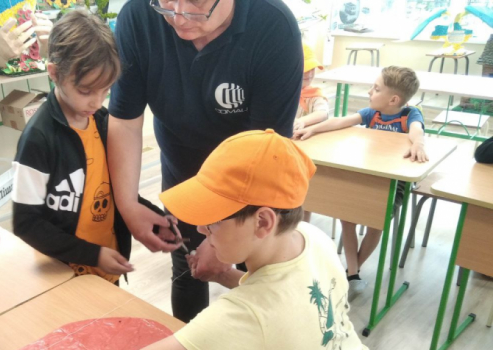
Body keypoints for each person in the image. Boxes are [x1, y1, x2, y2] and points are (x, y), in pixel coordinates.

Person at [0, 130, 377, 350]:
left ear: (262, 221)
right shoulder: (312, 239)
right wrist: (226, 273)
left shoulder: (244, 320)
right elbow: (291, 309)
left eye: (214, 220)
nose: (201, 228)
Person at [107, 0, 303, 322]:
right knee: (189, 270)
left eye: (196, 2)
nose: (179, 16)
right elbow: (125, 120)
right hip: (184, 174)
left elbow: (267, 151)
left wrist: (221, 240)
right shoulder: (138, 16)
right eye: (166, 2)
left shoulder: (273, 26)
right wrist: (127, 205)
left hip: (250, 186)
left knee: (258, 280)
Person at [11, 10, 168, 284]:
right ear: (54, 73)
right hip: (62, 278)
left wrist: (155, 218)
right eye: (86, 91)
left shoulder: (103, 121)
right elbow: (26, 223)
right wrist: (92, 255)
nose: (97, 101)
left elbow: (112, 190)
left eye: (106, 90)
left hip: (106, 271)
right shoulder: (38, 139)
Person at [294, 66, 427, 299]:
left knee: (376, 223)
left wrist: (419, 143)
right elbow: (340, 122)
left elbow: (417, 130)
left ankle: (352, 271)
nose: (369, 92)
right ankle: (352, 273)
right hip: (369, 176)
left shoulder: (410, 115)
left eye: (376, 89)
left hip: (394, 181)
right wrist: (312, 129)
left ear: (394, 100)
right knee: (347, 216)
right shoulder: (371, 113)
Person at [293, 42, 328, 223]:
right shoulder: (282, 89)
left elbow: (322, 113)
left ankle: (304, 225)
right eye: (304, 68)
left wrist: (302, 121)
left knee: (307, 194)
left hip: (307, 152)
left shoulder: (315, 94)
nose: (309, 73)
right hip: (287, 150)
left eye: (312, 68)